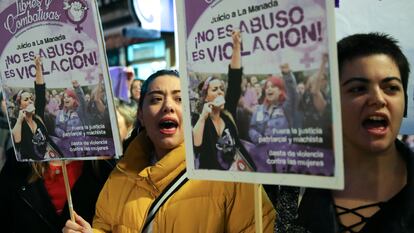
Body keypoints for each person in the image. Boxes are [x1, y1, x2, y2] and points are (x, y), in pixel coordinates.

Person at [62, 69, 275, 233]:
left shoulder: (230, 174)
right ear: (141, 115)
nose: (168, 106)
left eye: (179, 98)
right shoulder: (120, 176)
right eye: (156, 99)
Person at [268, 33, 414, 233]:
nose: (378, 99)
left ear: (405, 102)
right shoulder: (310, 188)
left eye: (391, 87)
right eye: (358, 89)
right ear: (333, 105)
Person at [192, 30, 257, 171]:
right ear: (205, 97)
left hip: (239, 174)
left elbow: (234, 78)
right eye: (214, 90)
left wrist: (236, 46)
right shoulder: (198, 119)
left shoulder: (228, 113)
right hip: (212, 182)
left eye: (221, 88)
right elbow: (196, 146)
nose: (220, 92)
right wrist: (203, 117)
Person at [11, 56, 61, 160]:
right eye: (26, 99)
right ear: (20, 105)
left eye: (31, 98)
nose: (30, 101)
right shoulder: (17, 122)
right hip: (34, 167)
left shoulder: (37, 116)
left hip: (50, 158)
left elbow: (40, 90)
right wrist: (20, 120)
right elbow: (17, 141)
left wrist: (38, 66)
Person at [248, 64, 297, 144]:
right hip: (262, 153)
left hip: (281, 153)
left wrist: (287, 74)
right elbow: (252, 129)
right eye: (267, 87)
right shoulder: (259, 109)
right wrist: (259, 138)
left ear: (281, 90)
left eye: (273, 86)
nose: (269, 89)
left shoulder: (287, 108)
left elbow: (293, 94)